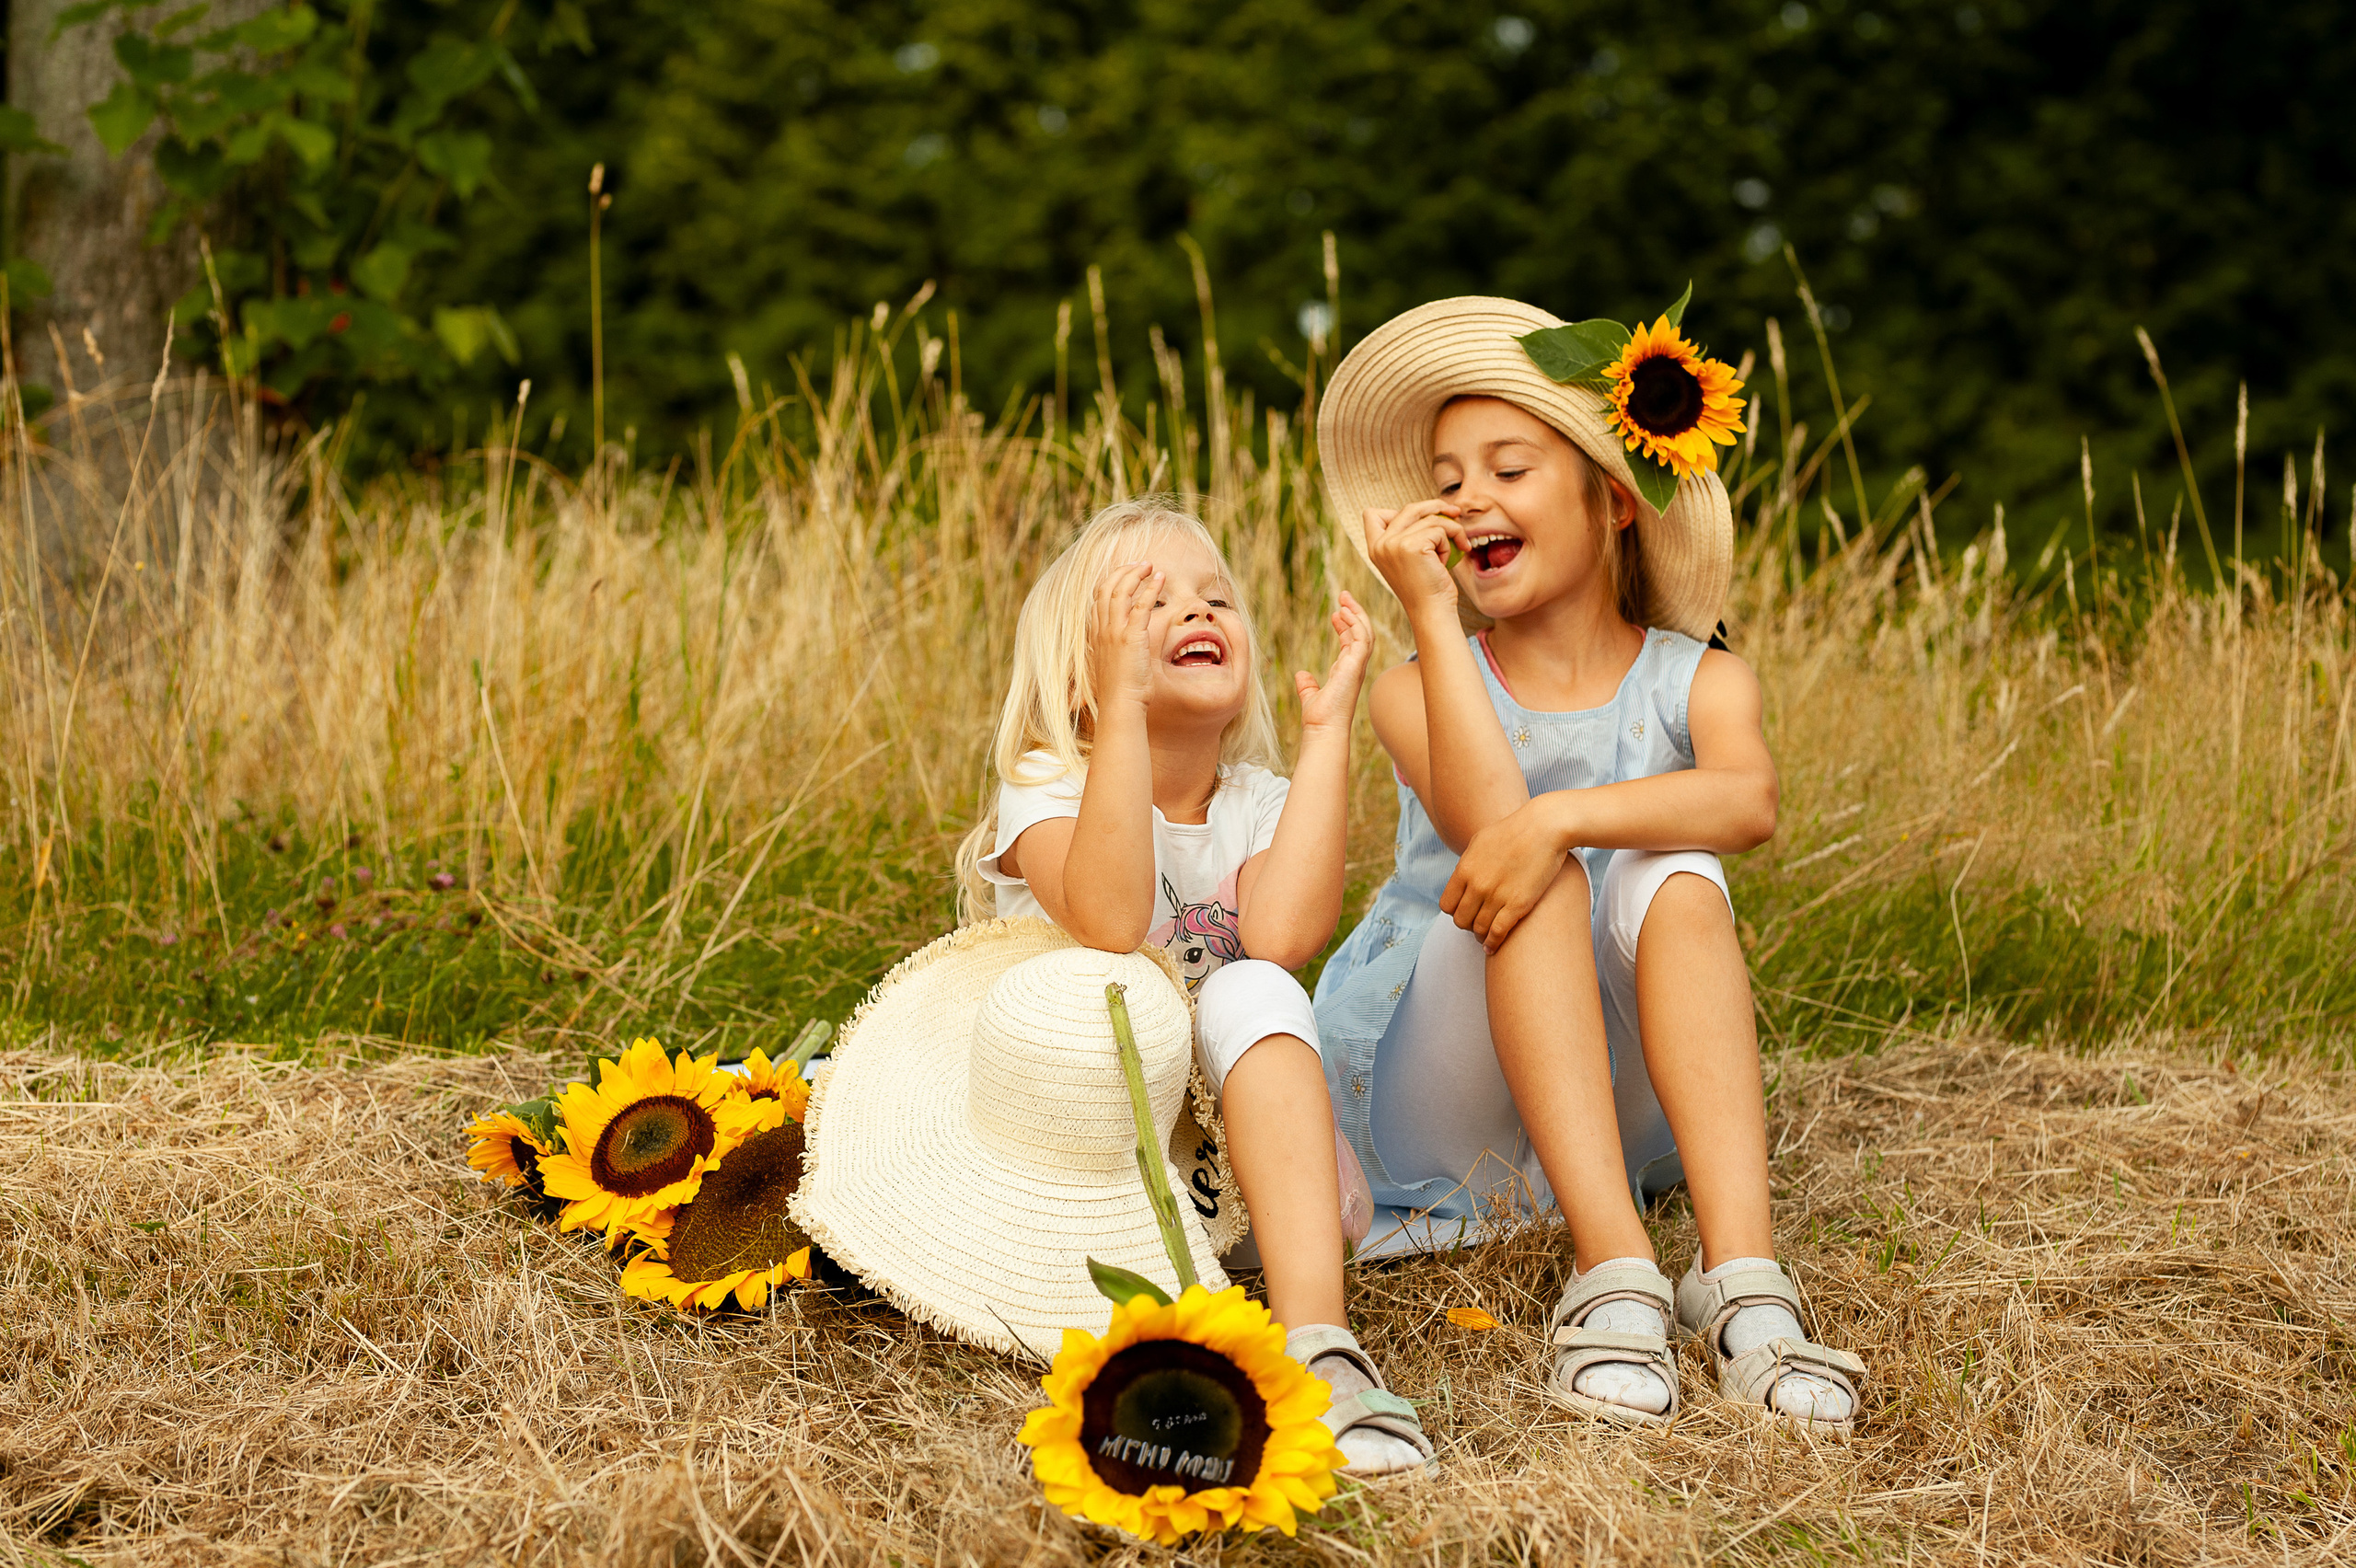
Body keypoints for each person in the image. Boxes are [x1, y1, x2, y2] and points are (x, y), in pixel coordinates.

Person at [1311, 296, 1866, 1431]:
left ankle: (1741, 1278)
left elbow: (1747, 801)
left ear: (1613, 500)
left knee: (1676, 871)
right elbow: (1491, 824)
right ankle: (1613, 1269)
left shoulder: (1699, 679)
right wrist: (1428, 613)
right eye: (1446, 481)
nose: (1467, 499)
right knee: (1535, 877)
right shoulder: (1415, 689)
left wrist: (1562, 820)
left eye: (1507, 469)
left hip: (1617, 1103)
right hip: (1448, 1097)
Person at [952, 498, 1433, 1475]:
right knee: (1128, 990)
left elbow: (1285, 938)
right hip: (1075, 1156)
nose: (1198, 611)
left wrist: (1328, 735)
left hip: (1218, 1167)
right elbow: (1109, 918)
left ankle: (1318, 1345)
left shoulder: (1254, 803)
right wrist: (1123, 712)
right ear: (1079, 671)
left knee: (1252, 986)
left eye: (1217, 598)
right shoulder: (1048, 780)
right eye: (1149, 602)